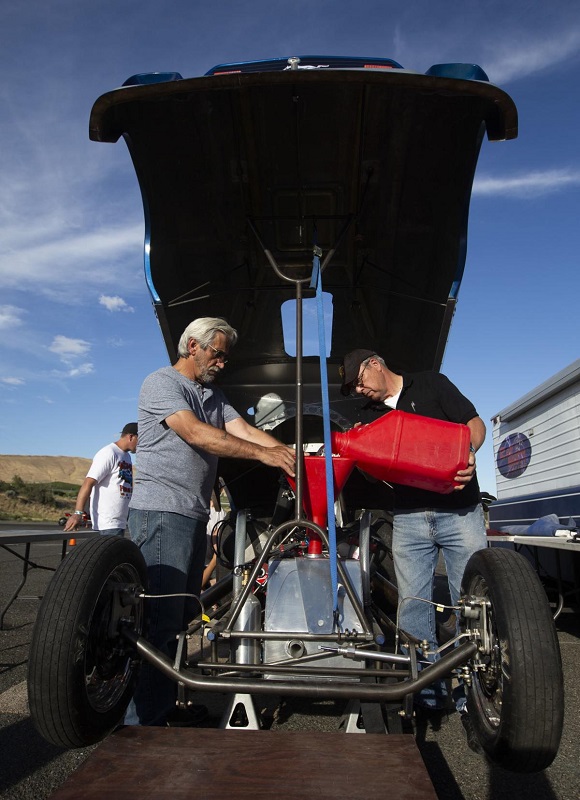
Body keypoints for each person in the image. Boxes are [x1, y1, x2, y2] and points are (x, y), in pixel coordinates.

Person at [126, 317, 295, 727]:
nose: (222, 362)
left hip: (193, 515)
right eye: (216, 352)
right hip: (161, 512)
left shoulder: (214, 396)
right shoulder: (162, 383)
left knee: (181, 621)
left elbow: (249, 432)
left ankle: (165, 707)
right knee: (159, 620)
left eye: (225, 355)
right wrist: (264, 456)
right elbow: (197, 434)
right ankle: (144, 718)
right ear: (191, 346)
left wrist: (294, 456)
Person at [339, 349, 486, 715]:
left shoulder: (431, 383)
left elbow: (474, 422)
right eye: (353, 387)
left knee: (471, 602)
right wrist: (362, 451)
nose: (359, 390)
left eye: (359, 380)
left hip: (460, 511)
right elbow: (374, 476)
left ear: (376, 363)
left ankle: (476, 692)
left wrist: (469, 452)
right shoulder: (366, 415)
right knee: (413, 607)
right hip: (407, 517)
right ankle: (427, 692)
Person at [64, 423, 138, 536]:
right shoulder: (109, 453)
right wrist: (78, 513)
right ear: (131, 437)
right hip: (107, 524)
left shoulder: (126, 456)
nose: (142, 444)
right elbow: (88, 483)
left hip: (120, 522)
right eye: (141, 439)